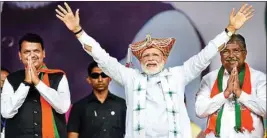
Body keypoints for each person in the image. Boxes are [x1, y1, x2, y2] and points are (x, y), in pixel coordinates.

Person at [56, 2, 254, 138]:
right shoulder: (130, 77)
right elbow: (100, 56)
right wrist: (78, 32)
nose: (150, 58)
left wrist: (229, 30)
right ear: (140, 60)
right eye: (146, 56)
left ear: (164, 59)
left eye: (155, 55)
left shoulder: (178, 75)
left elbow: (206, 55)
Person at [1, 33, 71, 138]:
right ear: (20, 55)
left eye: (36, 51)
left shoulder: (58, 76)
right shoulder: (10, 79)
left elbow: (63, 107)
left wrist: (38, 82)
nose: (32, 55)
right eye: (27, 52)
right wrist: (26, 83)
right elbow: (6, 112)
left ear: (43, 53)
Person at [195, 34, 266, 138]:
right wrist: (225, 94)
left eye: (236, 50)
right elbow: (199, 111)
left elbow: (265, 109)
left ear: (245, 54)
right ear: (220, 55)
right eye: (226, 51)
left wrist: (240, 93)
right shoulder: (209, 79)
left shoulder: (259, 78)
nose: (231, 55)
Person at [67, 61, 126, 138]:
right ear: (89, 79)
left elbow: (132, 133)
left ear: (110, 78)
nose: (100, 79)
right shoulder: (79, 106)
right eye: (95, 76)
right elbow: (72, 135)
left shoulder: (121, 104)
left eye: (104, 75)